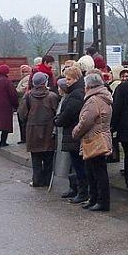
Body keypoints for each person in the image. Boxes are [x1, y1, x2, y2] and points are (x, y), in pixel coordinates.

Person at [72, 72, 113, 212]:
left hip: (94, 139)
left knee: (97, 172)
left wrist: (75, 132)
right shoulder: (103, 97)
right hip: (101, 137)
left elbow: (86, 121)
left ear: (88, 85)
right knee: (94, 170)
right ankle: (94, 199)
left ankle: (101, 201)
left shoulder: (93, 100)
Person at [18, 72, 60, 187]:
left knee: (36, 158)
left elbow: (22, 114)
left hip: (32, 131)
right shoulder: (52, 96)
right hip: (48, 131)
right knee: (48, 158)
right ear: (44, 82)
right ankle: (47, 181)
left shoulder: (28, 96)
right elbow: (57, 113)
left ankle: (37, 180)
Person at [54, 66, 87, 203]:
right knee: (75, 165)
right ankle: (76, 189)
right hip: (73, 134)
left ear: (76, 78)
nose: (66, 81)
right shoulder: (77, 92)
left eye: (69, 79)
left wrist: (58, 120)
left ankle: (82, 191)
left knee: (78, 166)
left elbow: (69, 113)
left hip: (74, 134)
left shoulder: (76, 94)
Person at [16, 65, 32, 144]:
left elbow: (23, 89)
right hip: (22, 102)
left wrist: (15, 90)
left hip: (23, 102)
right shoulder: (25, 78)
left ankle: (24, 139)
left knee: (23, 121)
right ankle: (23, 138)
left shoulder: (27, 78)